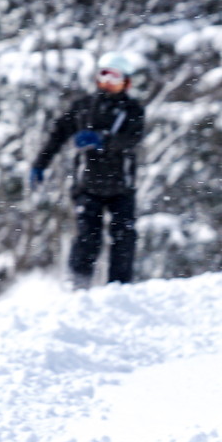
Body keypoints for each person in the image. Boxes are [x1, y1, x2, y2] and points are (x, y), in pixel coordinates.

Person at [30, 51, 145, 289]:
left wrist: (104, 141)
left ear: (126, 82)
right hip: (87, 185)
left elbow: (132, 139)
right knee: (87, 236)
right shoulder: (83, 107)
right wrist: (40, 164)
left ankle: (120, 286)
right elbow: (57, 135)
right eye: (104, 77)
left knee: (124, 236)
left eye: (115, 78)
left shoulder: (132, 110)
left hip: (121, 186)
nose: (108, 84)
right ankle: (78, 283)